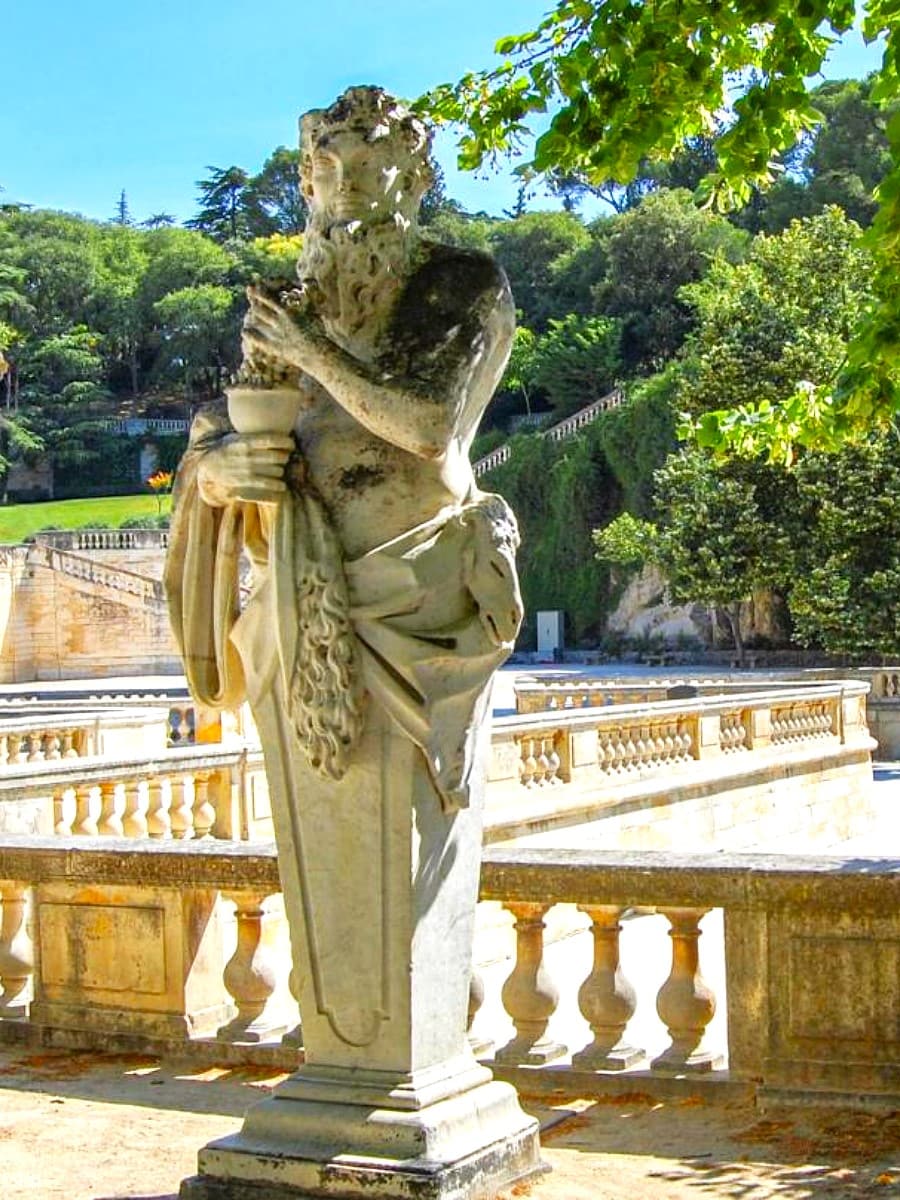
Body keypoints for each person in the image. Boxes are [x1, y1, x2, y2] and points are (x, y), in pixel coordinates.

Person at [165, 85, 522, 816]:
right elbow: (233, 425)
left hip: (420, 603)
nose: (348, 183)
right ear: (306, 183)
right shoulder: (294, 302)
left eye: (374, 162)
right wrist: (217, 476)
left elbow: (429, 427)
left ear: (416, 178)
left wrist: (313, 352)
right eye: (328, 167)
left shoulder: (461, 283)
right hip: (297, 611)